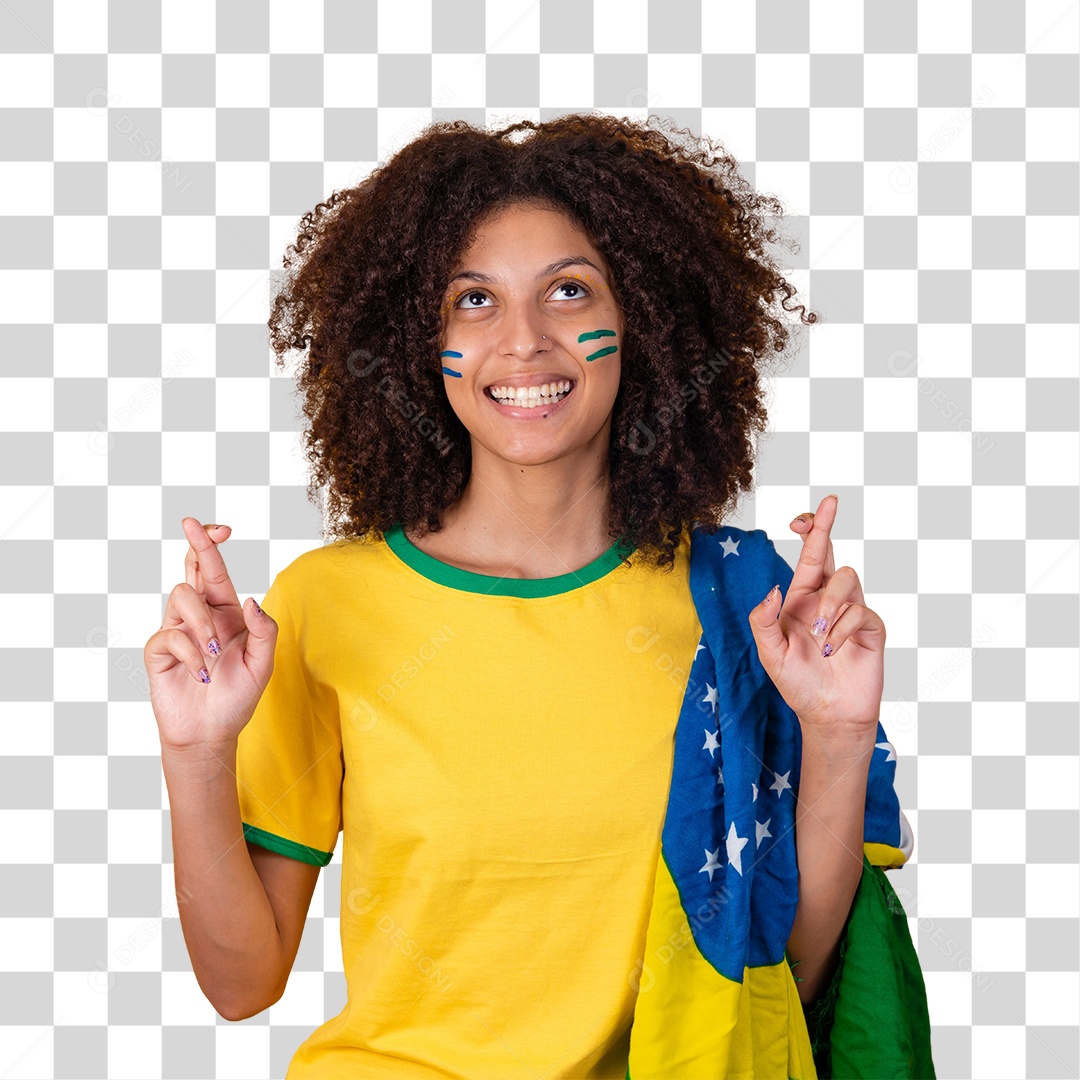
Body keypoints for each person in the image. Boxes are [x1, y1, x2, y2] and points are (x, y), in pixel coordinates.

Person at [145, 114, 934, 1078]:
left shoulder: (746, 608)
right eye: (473, 300)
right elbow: (242, 983)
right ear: (417, 336)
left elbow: (788, 975)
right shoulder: (326, 604)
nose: (522, 342)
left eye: (569, 291)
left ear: (642, 316)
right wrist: (196, 753)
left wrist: (841, 734)